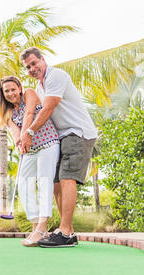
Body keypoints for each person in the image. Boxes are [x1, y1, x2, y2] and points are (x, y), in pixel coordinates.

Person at [19, 47, 97, 248]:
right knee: (55, 183)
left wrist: (29, 132)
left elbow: (48, 108)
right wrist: (22, 135)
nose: (32, 69)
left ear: (43, 60)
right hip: (61, 136)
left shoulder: (56, 76)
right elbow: (33, 113)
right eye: (28, 67)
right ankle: (68, 232)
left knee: (66, 178)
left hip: (77, 132)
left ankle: (64, 230)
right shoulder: (39, 87)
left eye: (34, 63)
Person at [0, 75, 60, 247]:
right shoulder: (7, 112)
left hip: (48, 143)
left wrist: (25, 135)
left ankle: (41, 227)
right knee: (24, 183)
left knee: (44, 181)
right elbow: (15, 132)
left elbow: (29, 114)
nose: (10, 93)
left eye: (12, 89)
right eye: (6, 91)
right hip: (30, 150)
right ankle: (36, 226)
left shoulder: (29, 94)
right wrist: (19, 142)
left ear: (19, 87)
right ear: (2, 94)